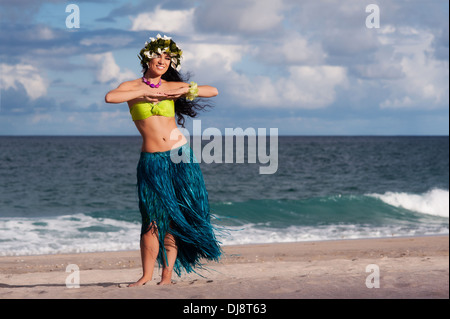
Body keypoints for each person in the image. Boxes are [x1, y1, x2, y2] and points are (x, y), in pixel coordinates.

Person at [105, 34, 222, 286]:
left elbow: (212, 91)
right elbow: (110, 97)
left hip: (180, 156)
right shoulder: (131, 87)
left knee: (174, 218)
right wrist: (143, 91)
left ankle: (166, 276)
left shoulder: (170, 87)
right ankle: (146, 275)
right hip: (152, 162)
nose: (163, 60)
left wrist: (183, 89)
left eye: (168, 58)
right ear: (147, 57)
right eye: (158, 55)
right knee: (151, 220)